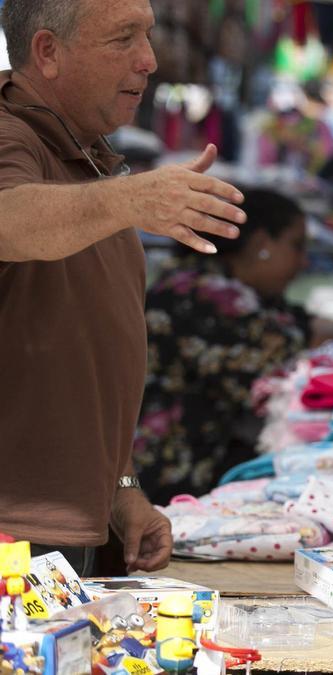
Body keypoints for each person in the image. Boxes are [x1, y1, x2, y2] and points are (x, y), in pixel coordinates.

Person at [0, 0, 247, 575]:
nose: (149, 60)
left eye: (149, 36)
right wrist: (131, 198)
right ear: (47, 52)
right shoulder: (11, 134)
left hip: (58, 528)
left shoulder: (83, 152)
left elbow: (77, 376)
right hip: (14, 533)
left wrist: (124, 489)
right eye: (123, 39)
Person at [135, 188, 333, 505]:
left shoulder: (206, 284)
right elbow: (292, 341)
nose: (303, 261)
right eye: (296, 246)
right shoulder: (208, 298)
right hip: (170, 478)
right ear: (260, 245)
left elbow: (299, 325)